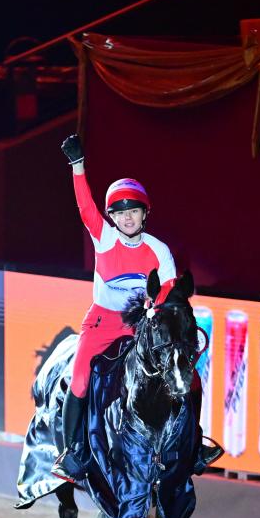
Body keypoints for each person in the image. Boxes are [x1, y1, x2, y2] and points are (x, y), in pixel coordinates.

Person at [52, 133, 221, 483]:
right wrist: (77, 165)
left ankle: (194, 447)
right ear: (112, 217)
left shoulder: (160, 252)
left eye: (133, 211)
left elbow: (170, 296)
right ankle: (71, 453)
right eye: (120, 212)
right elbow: (85, 205)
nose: (127, 218)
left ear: (145, 214)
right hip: (103, 322)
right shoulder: (104, 236)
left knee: (189, 377)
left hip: (142, 325)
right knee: (80, 377)